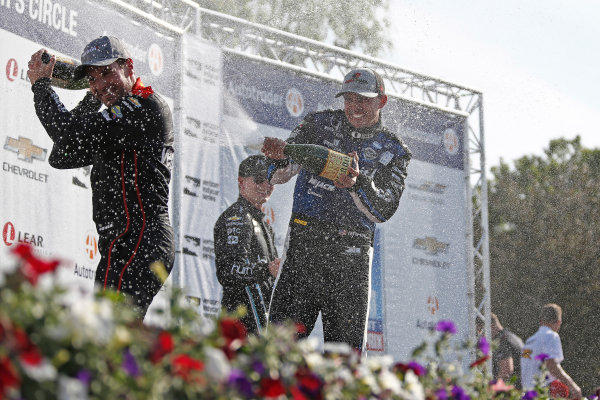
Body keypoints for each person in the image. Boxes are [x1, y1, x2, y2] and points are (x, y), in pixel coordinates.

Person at [262, 68, 411, 352]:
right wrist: (278, 156)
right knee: (278, 349)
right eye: (349, 100)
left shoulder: (394, 149)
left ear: (382, 101)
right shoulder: (317, 124)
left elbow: (383, 210)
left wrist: (358, 184)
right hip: (304, 246)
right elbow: (279, 174)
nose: (354, 107)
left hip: (350, 259)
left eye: (363, 100)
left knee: (344, 359)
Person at [27, 36, 175, 319]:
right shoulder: (116, 124)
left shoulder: (144, 105)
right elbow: (62, 155)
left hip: (141, 240)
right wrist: (93, 98)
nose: (100, 84)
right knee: (109, 341)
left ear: (128, 68)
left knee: (107, 337)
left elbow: (67, 134)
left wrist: (41, 87)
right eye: (92, 79)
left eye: (107, 72)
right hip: (122, 243)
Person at [213, 155, 281, 336]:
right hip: (240, 323)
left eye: (270, 181)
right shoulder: (237, 217)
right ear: (241, 182)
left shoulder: (264, 223)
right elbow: (228, 271)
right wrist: (266, 269)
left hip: (260, 321)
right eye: (258, 180)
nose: (265, 186)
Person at [521, 304, 581, 399]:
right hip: (541, 394)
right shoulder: (551, 336)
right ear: (558, 322)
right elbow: (551, 366)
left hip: (526, 395)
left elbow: (526, 367)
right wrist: (573, 387)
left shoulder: (529, 341)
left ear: (541, 322)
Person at [489, 313, 524, 389]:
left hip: (513, 391)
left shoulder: (502, 340)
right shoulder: (511, 336)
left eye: (481, 331)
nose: (482, 336)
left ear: (490, 326)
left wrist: (492, 390)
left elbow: (506, 371)